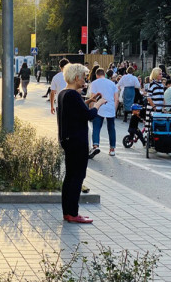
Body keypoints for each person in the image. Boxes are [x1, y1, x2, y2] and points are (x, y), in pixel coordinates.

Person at [56, 63, 106, 224]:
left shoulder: (64, 93)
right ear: (76, 77)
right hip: (77, 141)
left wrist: (88, 100)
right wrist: (97, 104)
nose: (84, 80)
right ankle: (73, 213)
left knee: (70, 176)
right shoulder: (73, 95)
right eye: (83, 77)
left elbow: (75, 112)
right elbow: (88, 116)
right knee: (78, 176)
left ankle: (67, 212)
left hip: (68, 140)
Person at [89, 68, 119, 157]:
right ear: (104, 74)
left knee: (96, 127)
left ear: (97, 75)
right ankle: (112, 149)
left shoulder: (94, 83)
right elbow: (116, 99)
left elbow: (92, 98)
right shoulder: (112, 83)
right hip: (110, 107)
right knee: (111, 129)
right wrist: (114, 109)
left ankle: (95, 145)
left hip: (99, 107)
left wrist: (92, 109)